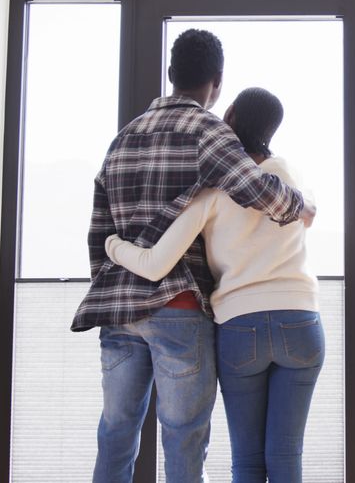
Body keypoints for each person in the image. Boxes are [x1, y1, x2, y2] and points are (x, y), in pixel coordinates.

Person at [72, 30, 316, 483]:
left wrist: (114, 291)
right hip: (179, 309)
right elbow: (255, 188)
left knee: (116, 434)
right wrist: (301, 207)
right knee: (183, 439)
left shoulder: (122, 139)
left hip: (120, 314)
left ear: (170, 74)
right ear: (217, 83)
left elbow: (99, 231)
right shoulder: (209, 132)